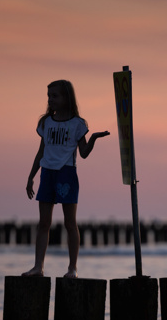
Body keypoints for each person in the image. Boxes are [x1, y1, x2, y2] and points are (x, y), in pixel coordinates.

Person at [22, 80, 110, 278]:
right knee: (43, 223)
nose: (50, 99)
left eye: (55, 96)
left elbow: (84, 153)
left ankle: (72, 268)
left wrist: (93, 138)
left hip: (66, 173)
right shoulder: (46, 122)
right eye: (49, 96)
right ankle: (38, 267)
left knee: (70, 223)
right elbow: (41, 151)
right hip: (47, 173)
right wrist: (31, 176)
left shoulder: (77, 124)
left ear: (67, 97)